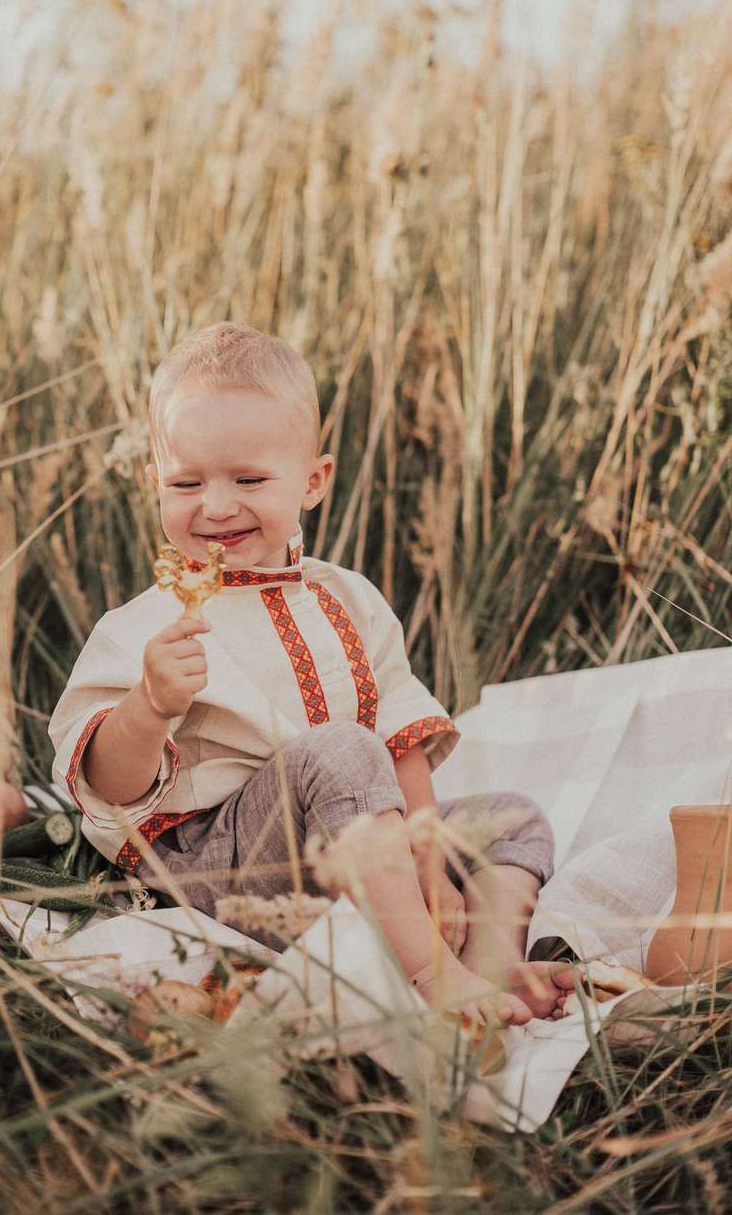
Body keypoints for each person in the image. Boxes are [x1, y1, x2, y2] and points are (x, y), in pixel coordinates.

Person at [48, 322, 571, 1026]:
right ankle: (428, 974)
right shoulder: (146, 624)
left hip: (361, 847)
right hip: (220, 864)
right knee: (341, 748)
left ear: (313, 482)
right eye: (186, 483)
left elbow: (402, 736)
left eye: (249, 480)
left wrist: (427, 856)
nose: (216, 505)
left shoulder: (348, 597)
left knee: (509, 819)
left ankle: (492, 963)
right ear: (154, 484)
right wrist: (148, 706)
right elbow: (108, 787)